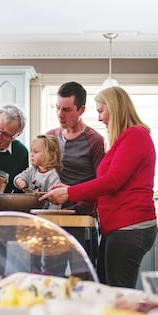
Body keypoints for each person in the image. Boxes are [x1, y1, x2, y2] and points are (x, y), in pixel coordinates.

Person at [40, 86, 157, 288]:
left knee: (118, 294)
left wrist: (69, 193)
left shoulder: (135, 135)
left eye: (101, 111)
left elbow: (112, 181)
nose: (100, 118)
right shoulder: (125, 139)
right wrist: (69, 190)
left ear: (115, 108)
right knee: (106, 290)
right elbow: (108, 187)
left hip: (129, 227)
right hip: (118, 228)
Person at [46, 81, 106, 216]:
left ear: (82, 110)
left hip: (81, 218)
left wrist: (71, 212)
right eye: (57, 108)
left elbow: (100, 187)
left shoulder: (95, 141)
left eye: (67, 110)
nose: (60, 114)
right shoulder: (49, 137)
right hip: (51, 214)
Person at [13, 134, 63, 209]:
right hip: (29, 211)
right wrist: (20, 180)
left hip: (44, 214)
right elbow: (19, 177)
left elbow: (55, 200)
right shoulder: (31, 170)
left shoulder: (52, 176)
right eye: (31, 152)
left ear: (49, 154)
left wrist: (51, 215)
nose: (31, 155)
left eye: (36, 152)